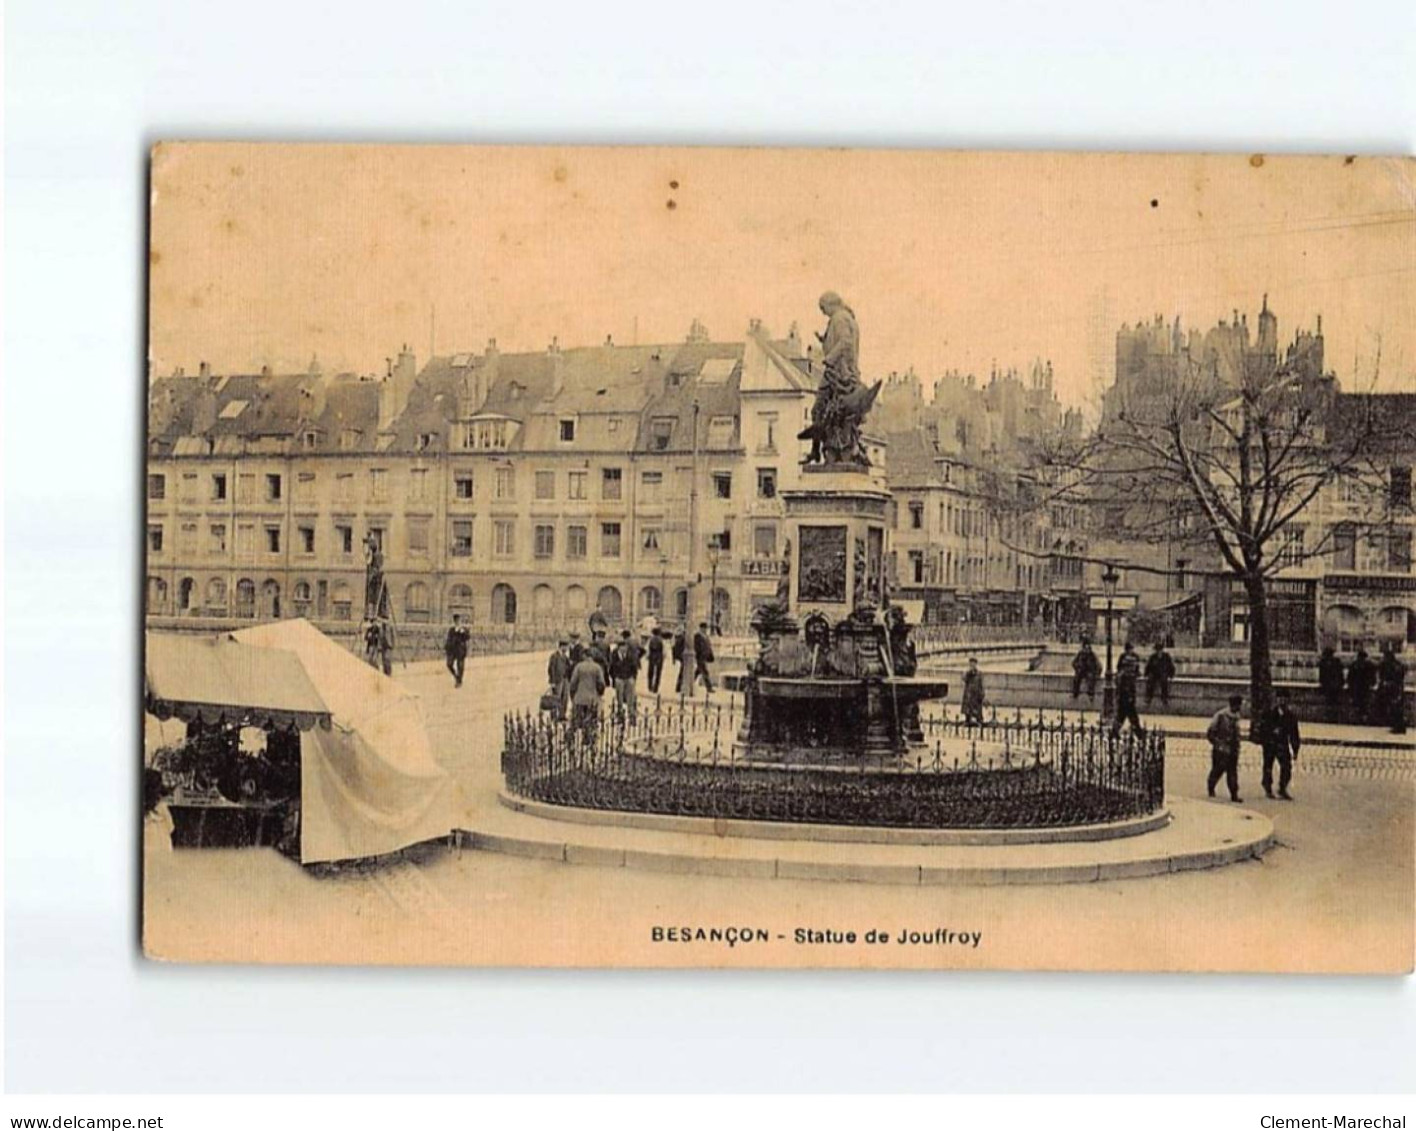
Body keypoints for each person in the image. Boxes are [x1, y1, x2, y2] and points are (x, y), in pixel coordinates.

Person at [1257, 689, 1301, 800]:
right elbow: (1262, 728)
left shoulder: (1290, 716)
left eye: (1285, 699)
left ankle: (1282, 788)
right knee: (1268, 766)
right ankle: (1267, 787)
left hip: (1282, 744)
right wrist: (1269, 735)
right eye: (1280, 698)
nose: (1282, 701)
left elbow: (1294, 733)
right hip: (1270, 744)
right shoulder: (1269, 713)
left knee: (1286, 767)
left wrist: (1295, 749)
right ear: (1276, 700)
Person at [1206, 694, 1245, 803]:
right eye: (1238, 705)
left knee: (1232, 772)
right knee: (1217, 770)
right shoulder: (1221, 716)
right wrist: (1218, 744)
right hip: (1221, 750)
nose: (1239, 708)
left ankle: (1234, 794)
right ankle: (1211, 786)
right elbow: (1210, 733)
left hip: (1232, 749)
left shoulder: (1237, 717)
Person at [567, 647, 606, 740]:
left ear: (585, 656)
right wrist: (599, 694)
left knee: (576, 720)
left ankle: (571, 738)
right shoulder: (597, 667)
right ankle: (588, 737)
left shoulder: (579, 666)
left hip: (579, 698)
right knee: (591, 720)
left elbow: (573, 682)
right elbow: (601, 683)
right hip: (592, 699)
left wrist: (572, 695)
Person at [1111, 642, 1144, 737]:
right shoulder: (1126, 676)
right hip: (1126, 697)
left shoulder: (1123, 675)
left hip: (1125, 697)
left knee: (1123, 715)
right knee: (1131, 715)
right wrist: (1130, 697)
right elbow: (1125, 687)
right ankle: (1138, 733)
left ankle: (1115, 732)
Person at [609, 630, 642, 721]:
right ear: (619, 647)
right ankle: (620, 713)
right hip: (619, 677)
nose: (624, 649)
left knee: (630, 696)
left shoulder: (630, 655)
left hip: (628, 677)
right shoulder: (614, 654)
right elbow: (611, 667)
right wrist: (614, 678)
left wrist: (633, 678)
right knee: (619, 696)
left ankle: (631, 713)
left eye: (625, 647)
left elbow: (634, 667)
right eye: (622, 647)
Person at [1376, 645, 1408, 734]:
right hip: (1396, 689)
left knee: (1395, 708)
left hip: (1395, 689)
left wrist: (1387, 683)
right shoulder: (1397, 665)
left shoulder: (1394, 666)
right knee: (1395, 708)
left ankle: (1399, 727)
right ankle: (1398, 726)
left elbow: (1396, 678)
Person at [1348, 646, 1376, 722]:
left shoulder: (1354, 665)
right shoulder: (1370, 665)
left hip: (1356, 688)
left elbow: (1350, 678)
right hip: (1365, 687)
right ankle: (1364, 718)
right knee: (1365, 704)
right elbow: (1373, 677)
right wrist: (1372, 683)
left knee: (1357, 703)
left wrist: (1350, 686)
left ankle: (1358, 718)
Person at [546, 639, 572, 721]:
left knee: (564, 698)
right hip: (557, 680)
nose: (566, 649)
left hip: (565, 679)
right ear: (561, 647)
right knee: (556, 698)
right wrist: (552, 681)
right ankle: (553, 716)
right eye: (565, 647)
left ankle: (562, 715)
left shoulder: (565, 657)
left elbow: (569, 667)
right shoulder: (554, 656)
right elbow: (551, 669)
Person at [1144, 641, 1176, 707]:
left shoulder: (1166, 656)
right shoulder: (1153, 657)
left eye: (1159, 650)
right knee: (1150, 682)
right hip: (1154, 673)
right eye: (1157, 650)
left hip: (1163, 673)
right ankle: (1148, 698)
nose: (1158, 652)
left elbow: (1171, 666)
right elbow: (1148, 666)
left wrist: (1171, 674)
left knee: (1164, 681)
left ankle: (1164, 698)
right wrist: (1146, 673)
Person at [1317, 645, 1345, 720]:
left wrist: (1322, 684)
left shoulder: (1323, 662)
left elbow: (1321, 676)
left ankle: (1329, 716)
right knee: (1335, 702)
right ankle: (1335, 716)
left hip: (1328, 686)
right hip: (1336, 685)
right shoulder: (1337, 661)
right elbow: (1340, 674)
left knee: (1329, 701)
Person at [443, 613, 470, 688]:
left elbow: (467, 637)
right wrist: (446, 649)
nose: (457, 622)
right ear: (454, 621)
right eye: (456, 620)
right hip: (453, 650)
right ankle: (456, 676)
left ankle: (459, 681)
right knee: (449, 664)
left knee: (460, 666)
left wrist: (462, 632)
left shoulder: (464, 629)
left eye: (459, 620)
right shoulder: (451, 630)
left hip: (461, 650)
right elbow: (449, 639)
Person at [692, 621, 716, 694]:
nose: (705, 630)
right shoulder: (697, 636)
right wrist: (698, 655)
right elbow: (697, 647)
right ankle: (709, 688)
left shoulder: (705, 636)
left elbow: (708, 646)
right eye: (704, 628)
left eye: (706, 628)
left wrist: (710, 655)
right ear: (701, 628)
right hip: (700, 657)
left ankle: (689, 682)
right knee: (705, 672)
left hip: (704, 657)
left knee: (698, 672)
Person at [961, 657, 986, 725]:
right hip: (969, 693)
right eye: (971, 664)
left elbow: (981, 683)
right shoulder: (967, 673)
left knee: (977, 708)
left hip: (976, 693)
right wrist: (968, 672)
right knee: (968, 708)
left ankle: (979, 720)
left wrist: (982, 692)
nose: (972, 665)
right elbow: (963, 678)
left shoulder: (979, 673)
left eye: (973, 664)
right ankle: (967, 720)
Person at [646, 628, 666, 695]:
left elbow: (648, 649)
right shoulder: (661, 640)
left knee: (650, 672)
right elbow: (664, 651)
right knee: (658, 673)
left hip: (652, 656)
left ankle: (650, 686)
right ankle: (655, 688)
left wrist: (648, 656)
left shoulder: (651, 640)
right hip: (659, 657)